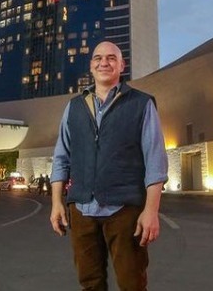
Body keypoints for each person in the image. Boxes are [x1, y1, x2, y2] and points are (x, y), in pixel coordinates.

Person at [50, 41, 168, 291]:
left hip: (125, 210)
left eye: (111, 58)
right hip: (81, 209)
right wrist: (57, 203)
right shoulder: (73, 107)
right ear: (91, 67)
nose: (104, 62)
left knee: (132, 283)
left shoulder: (141, 103)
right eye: (98, 58)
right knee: (90, 283)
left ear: (122, 65)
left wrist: (151, 211)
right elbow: (61, 156)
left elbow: (155, 161)